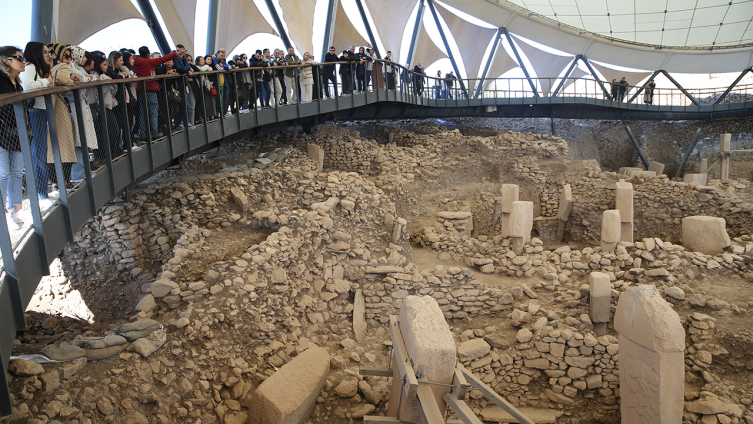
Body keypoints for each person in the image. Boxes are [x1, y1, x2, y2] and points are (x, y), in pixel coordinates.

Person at [23, 42, 54, 209]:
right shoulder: (30, 67)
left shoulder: (36, 69)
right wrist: (46, 81)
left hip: (40, 112)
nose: (48, 55)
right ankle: (41, 194)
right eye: (44, 52)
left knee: (42, 153)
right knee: (39, 154)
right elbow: (28, 86)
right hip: (35, 112)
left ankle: (42, 192)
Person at [0, 46, 27, 225]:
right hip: (2, 132)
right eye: (18, 58)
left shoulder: (17, 82)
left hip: (18, 131)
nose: (23, 61)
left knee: (17, 172)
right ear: (5, 60)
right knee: (4, 172)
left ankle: (16, 210)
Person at [133, 46, 181, 139]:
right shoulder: (149, 62)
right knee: (154, 113)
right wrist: (176, 54)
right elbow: (163, 59)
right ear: (148, 54)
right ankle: (155, 134)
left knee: (143, 114)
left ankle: (143, 134)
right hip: (151, 90)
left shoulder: (135, 63)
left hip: (140, 91)